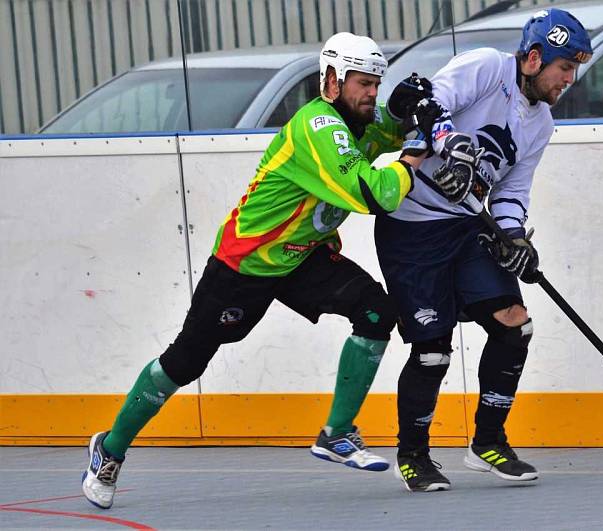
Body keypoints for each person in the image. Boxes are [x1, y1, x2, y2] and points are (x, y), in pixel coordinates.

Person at [82, 32, 439, 509]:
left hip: (300, 257)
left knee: (376, 311)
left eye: (376, 82)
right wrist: (415, 150)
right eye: (362, 82)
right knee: (183, 364)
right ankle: (109, 449)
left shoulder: (354, 122)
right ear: (330, 81)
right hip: (245, 265)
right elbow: (377, 194)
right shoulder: (317, 126)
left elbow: (380, 137)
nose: (371, 92)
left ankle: (336, 433)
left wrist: (399, 113)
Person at [378, 8, 593, 492]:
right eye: (564, 68)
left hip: (466, 226)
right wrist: (448, 144)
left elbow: (512, 190)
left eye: (574, 71)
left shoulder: (541, 124)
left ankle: (488, 441)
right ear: (535, 58)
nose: (568, 81)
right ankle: (413, 454)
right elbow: (426, 101)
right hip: (411, 227)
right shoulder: (486, 67)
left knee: (515, 324)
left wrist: (514, 236)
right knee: (433, 350)